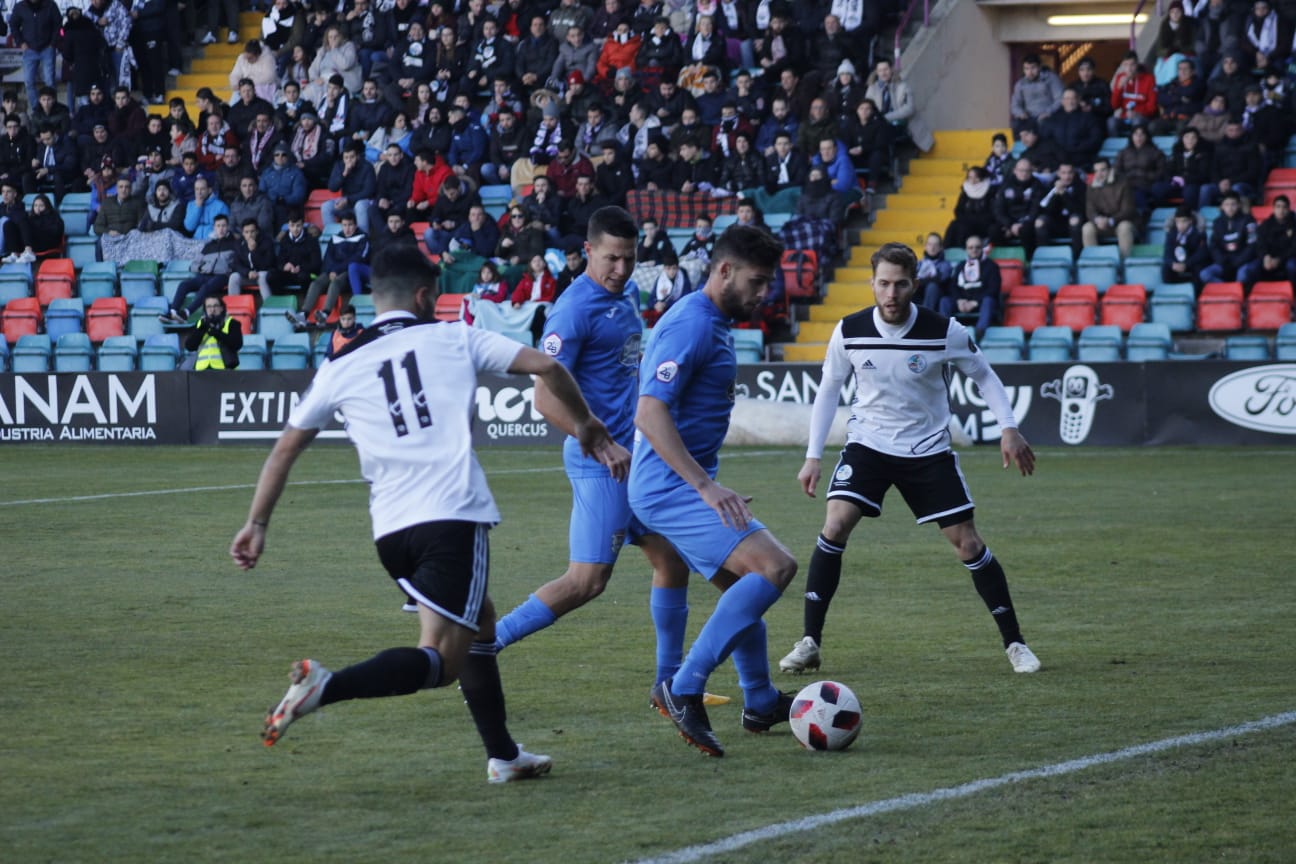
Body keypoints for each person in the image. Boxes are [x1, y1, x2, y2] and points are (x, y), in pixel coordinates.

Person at [232, 244, 625, 784]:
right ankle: (326, 685)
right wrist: (585, 424)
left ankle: (504, 756)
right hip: (451, 518)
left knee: (481, 623)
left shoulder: (341, 364)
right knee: (441, 662)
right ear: (424, 296)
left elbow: (284, 450)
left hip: (390, 533)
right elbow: (548, 365)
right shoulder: (453, 337)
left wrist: (256, 523)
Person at [779, 241, 1041, 679]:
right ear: (872, 283)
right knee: (835, 524)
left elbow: (985, 376)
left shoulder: (945, 330)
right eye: (883, 283)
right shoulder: (849, 330)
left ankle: (1015, 643)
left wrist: (1009, 427)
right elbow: (828, 392)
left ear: (914, 284)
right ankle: (809, 642)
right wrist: (812, 457)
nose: (891, 293)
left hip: (927, 451)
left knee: (968, 544)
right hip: (868, 446)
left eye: (901, 284)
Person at [494, 208, 696, 693]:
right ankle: (481, 647)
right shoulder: (571, 309)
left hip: (636, 459)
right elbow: (543, 397)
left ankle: (668, 686)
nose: (622, 269)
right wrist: (602, 443)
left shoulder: (626, 293)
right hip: (601, 463)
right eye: (611, 259)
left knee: (671, 561)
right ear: (588, 252)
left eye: (629, 259)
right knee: (586, 581)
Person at [634, 224, 798, 758]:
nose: (762, 293)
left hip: (677, 483)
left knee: (742, 583)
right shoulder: (692, 324)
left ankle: (760, 699)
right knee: (776, 567)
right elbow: (649, 409)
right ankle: (683, 686)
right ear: (723, 270)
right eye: (756, 281)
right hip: (668, 487)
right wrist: (704, 486)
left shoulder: (713, 321)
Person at [161, 214, 238, 322]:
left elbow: (237, 263)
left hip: (222, 276)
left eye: (224, 226)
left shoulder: (234, 244)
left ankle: (186, 313)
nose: (221, 229)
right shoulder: (208, 246)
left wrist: (227, 270)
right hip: (205, 275)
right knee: (184, 285)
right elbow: (194, 264)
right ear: (214, 228)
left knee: (205, 288)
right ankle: (172, 312)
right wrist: (203, 268)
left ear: (228, 227)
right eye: (218, 226)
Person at [1081, 157, 1139, 258]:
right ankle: (1094, 262)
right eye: (1096, 171)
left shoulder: (1123, 183)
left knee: (1124, 227)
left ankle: (1124, 263)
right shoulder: (1091, 187)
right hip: (1101, 224)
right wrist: (1097, 219)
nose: (1100, 174)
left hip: (1121, 221)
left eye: (1103, 170)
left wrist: (1110, 220)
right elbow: (1090, 210)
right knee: (1087, 228)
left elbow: (1128, 210)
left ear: (1110, 170)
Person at [185, 294, 244, 370]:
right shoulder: (200, 324)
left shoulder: (232, 323)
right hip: (202, 370)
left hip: (225, 369)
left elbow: (237, 344)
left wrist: (216, 333)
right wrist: (201, 329)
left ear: (222, 308)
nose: (212, 310)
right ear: (205, 309)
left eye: (215, 306)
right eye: (209, 306)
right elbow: (189, 346)